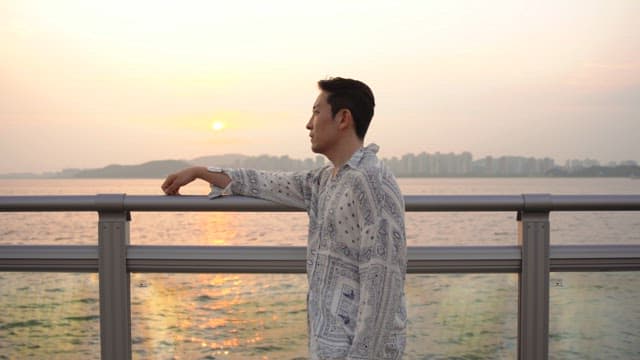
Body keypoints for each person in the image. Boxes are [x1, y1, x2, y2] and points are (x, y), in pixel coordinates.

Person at [162, 77, 407, 359]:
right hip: (328, 347)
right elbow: (262, 182)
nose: (308, 124)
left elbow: (384, 285)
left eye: (316, 112)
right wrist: (201, 172)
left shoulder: (373, 183)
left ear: (343, 119)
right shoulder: (324, 181)